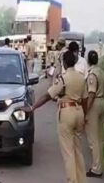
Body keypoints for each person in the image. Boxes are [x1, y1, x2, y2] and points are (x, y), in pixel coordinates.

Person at [30, 51, 88, 183]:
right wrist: (85, 116)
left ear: (64, 63)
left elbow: (48, 95)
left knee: (68, 152)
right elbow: (85, 99)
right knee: (78, 150)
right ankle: (81, 180)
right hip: (79, 112)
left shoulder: (64, 78)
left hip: (67, 112)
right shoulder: (81, 77)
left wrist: (33, 107)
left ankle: (72, 180)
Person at [85, 50, 104, 178]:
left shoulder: (92, 74)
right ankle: (99, 165)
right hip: (103, 101)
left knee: (93, 139)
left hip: (95, 104)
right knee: (99, 137)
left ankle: (96, 168)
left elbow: (91, 94)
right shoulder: (101, 72)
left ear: (88, 60)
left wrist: (86, 110)